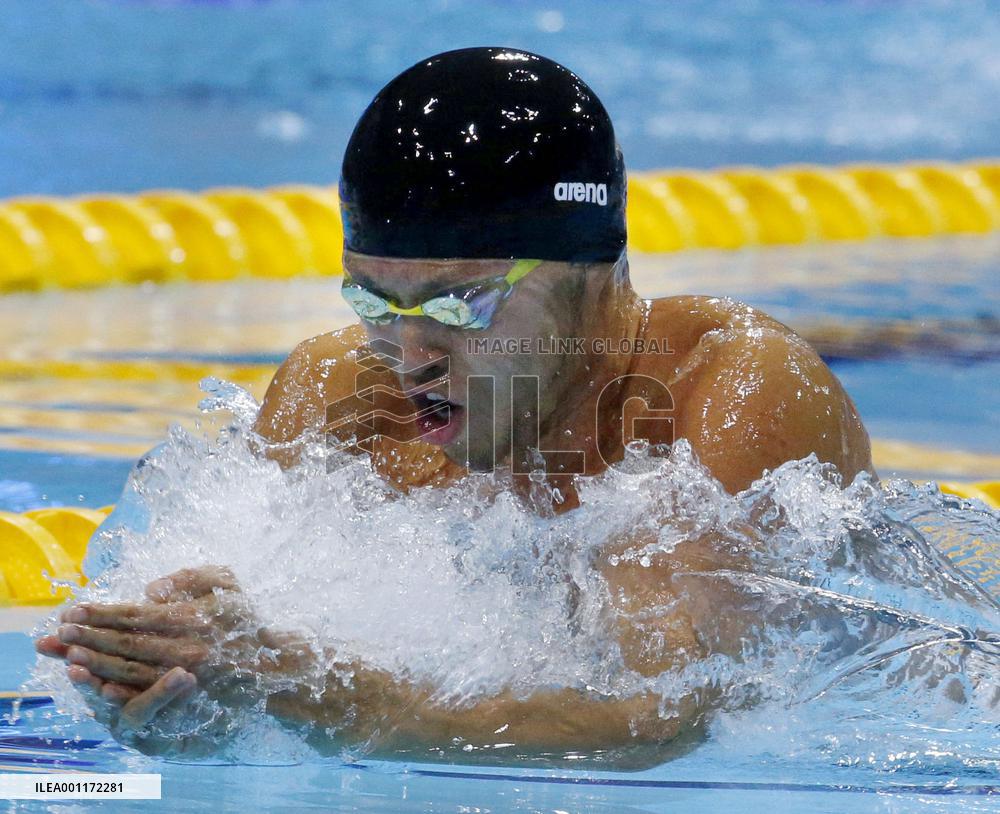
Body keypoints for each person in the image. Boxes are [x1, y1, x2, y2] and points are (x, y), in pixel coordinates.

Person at [36, 47, 874, 764]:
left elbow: (659, 717)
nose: (409, 359)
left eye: (458, 305)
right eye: (375, 304)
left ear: (591, 274)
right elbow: (248, 680)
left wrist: (297, 687)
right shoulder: (338, 396)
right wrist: (179, 704)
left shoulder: (724, 392)